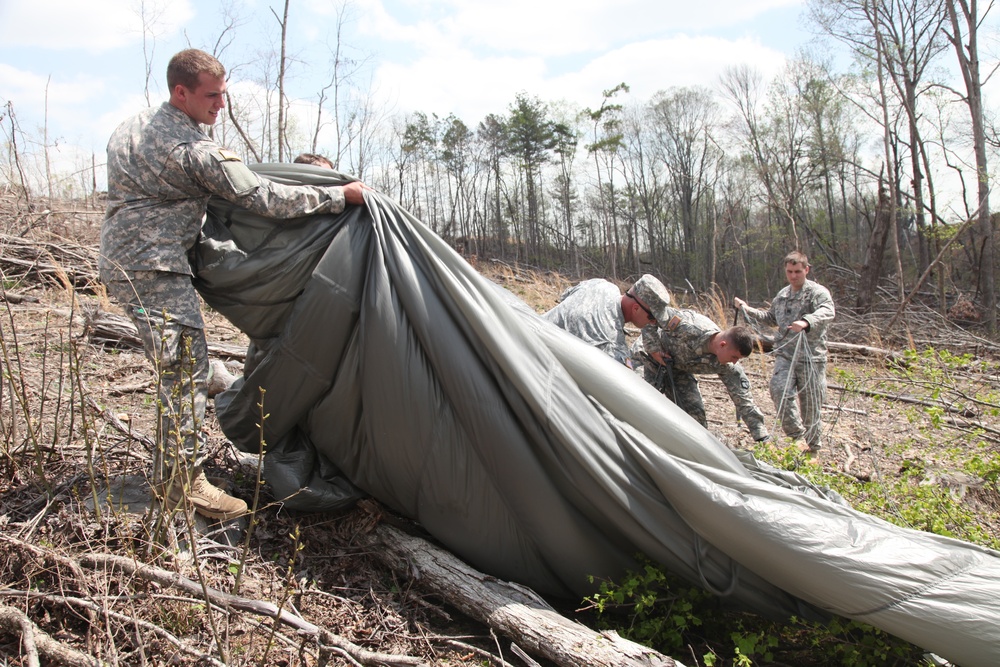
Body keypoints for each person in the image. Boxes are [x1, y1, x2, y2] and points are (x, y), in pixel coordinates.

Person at [100, 49, 368, 520]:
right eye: (211, 96)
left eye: (223, 94)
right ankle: (183, 486)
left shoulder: (134, 126)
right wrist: (336, 196)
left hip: (125, 263)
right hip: (156, 267)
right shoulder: (194, 151)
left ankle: (176, 475)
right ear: (180, 92)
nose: (220, 105)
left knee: (178, 367)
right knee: (185, 370)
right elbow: (263, 197)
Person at [733, 251, 835, 453]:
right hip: (785, 355)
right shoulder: (782, 295)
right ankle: (797, 438)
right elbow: (771, 317)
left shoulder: (817, 293)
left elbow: (828, 311)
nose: (794, 276)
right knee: (779, 390)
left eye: (798, 271)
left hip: (811, 358)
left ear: (806, 270)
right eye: (790, 271)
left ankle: (813, 449)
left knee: (811, 405)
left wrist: (807, 322)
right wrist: (747, 309)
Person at [631, 309, 770, 441]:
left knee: (696, 421)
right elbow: (652, 314)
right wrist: (653, 349)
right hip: (647, 358)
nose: (735, 362)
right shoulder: (690, 326)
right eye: (734, 357)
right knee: (637, 404)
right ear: (723, 344)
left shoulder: (727, 365)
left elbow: (743, 399)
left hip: (677, 370)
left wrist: (761, 435)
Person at [543, 274, 671, 367]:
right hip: (538, 371)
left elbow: (564, 298)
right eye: (652, 317)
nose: (653, 323)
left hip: (530, 330)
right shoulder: (613, 345)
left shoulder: (601, 285)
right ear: (636, 308)